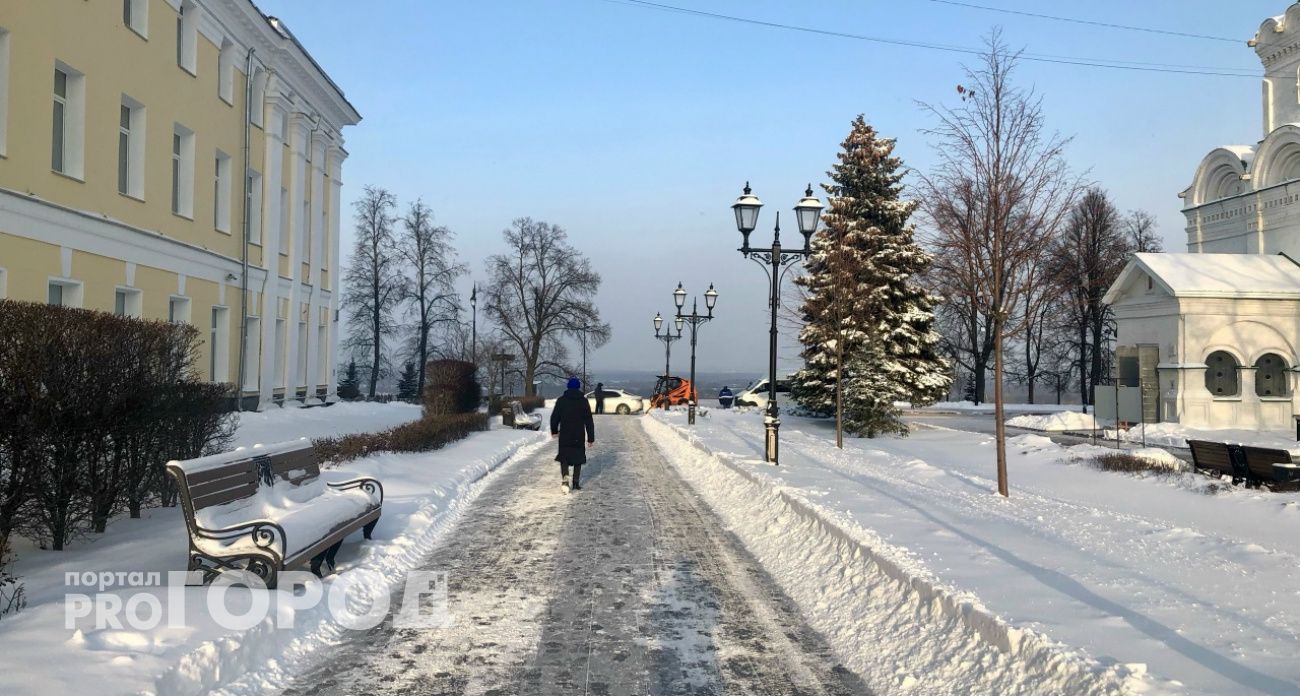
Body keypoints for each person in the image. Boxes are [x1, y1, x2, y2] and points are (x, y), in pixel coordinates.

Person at [550, 376, 594, 493]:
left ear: (568, 387)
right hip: (578, 434)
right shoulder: (583, 401)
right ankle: (576, 483)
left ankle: (565, 481)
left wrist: (554, 431)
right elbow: (589, 421)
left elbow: (554, 418)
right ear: (578, 388)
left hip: (565, 434)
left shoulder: (561, 400)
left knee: (564, 457)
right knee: (578, 458)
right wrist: (590, 438)